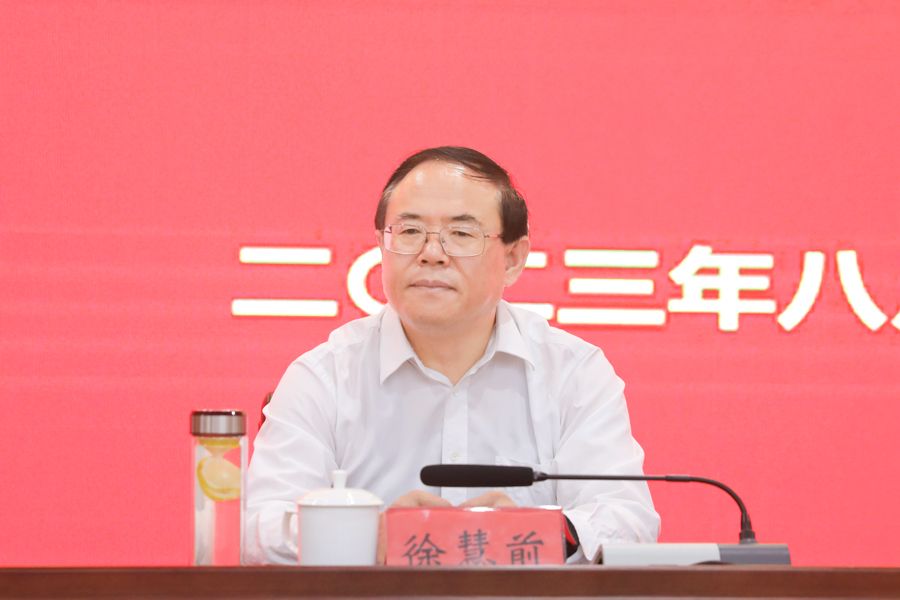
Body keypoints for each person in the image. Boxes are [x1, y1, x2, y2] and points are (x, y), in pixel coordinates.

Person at [244, 146, 659, 565]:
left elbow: (629, 520)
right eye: (409, 231)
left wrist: (543, 533)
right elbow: (255, 529)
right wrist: (366, 538)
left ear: (513, 259)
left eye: (461, 234)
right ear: (382, 246)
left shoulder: (573, 373)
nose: (431, 253)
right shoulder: (323, 377)